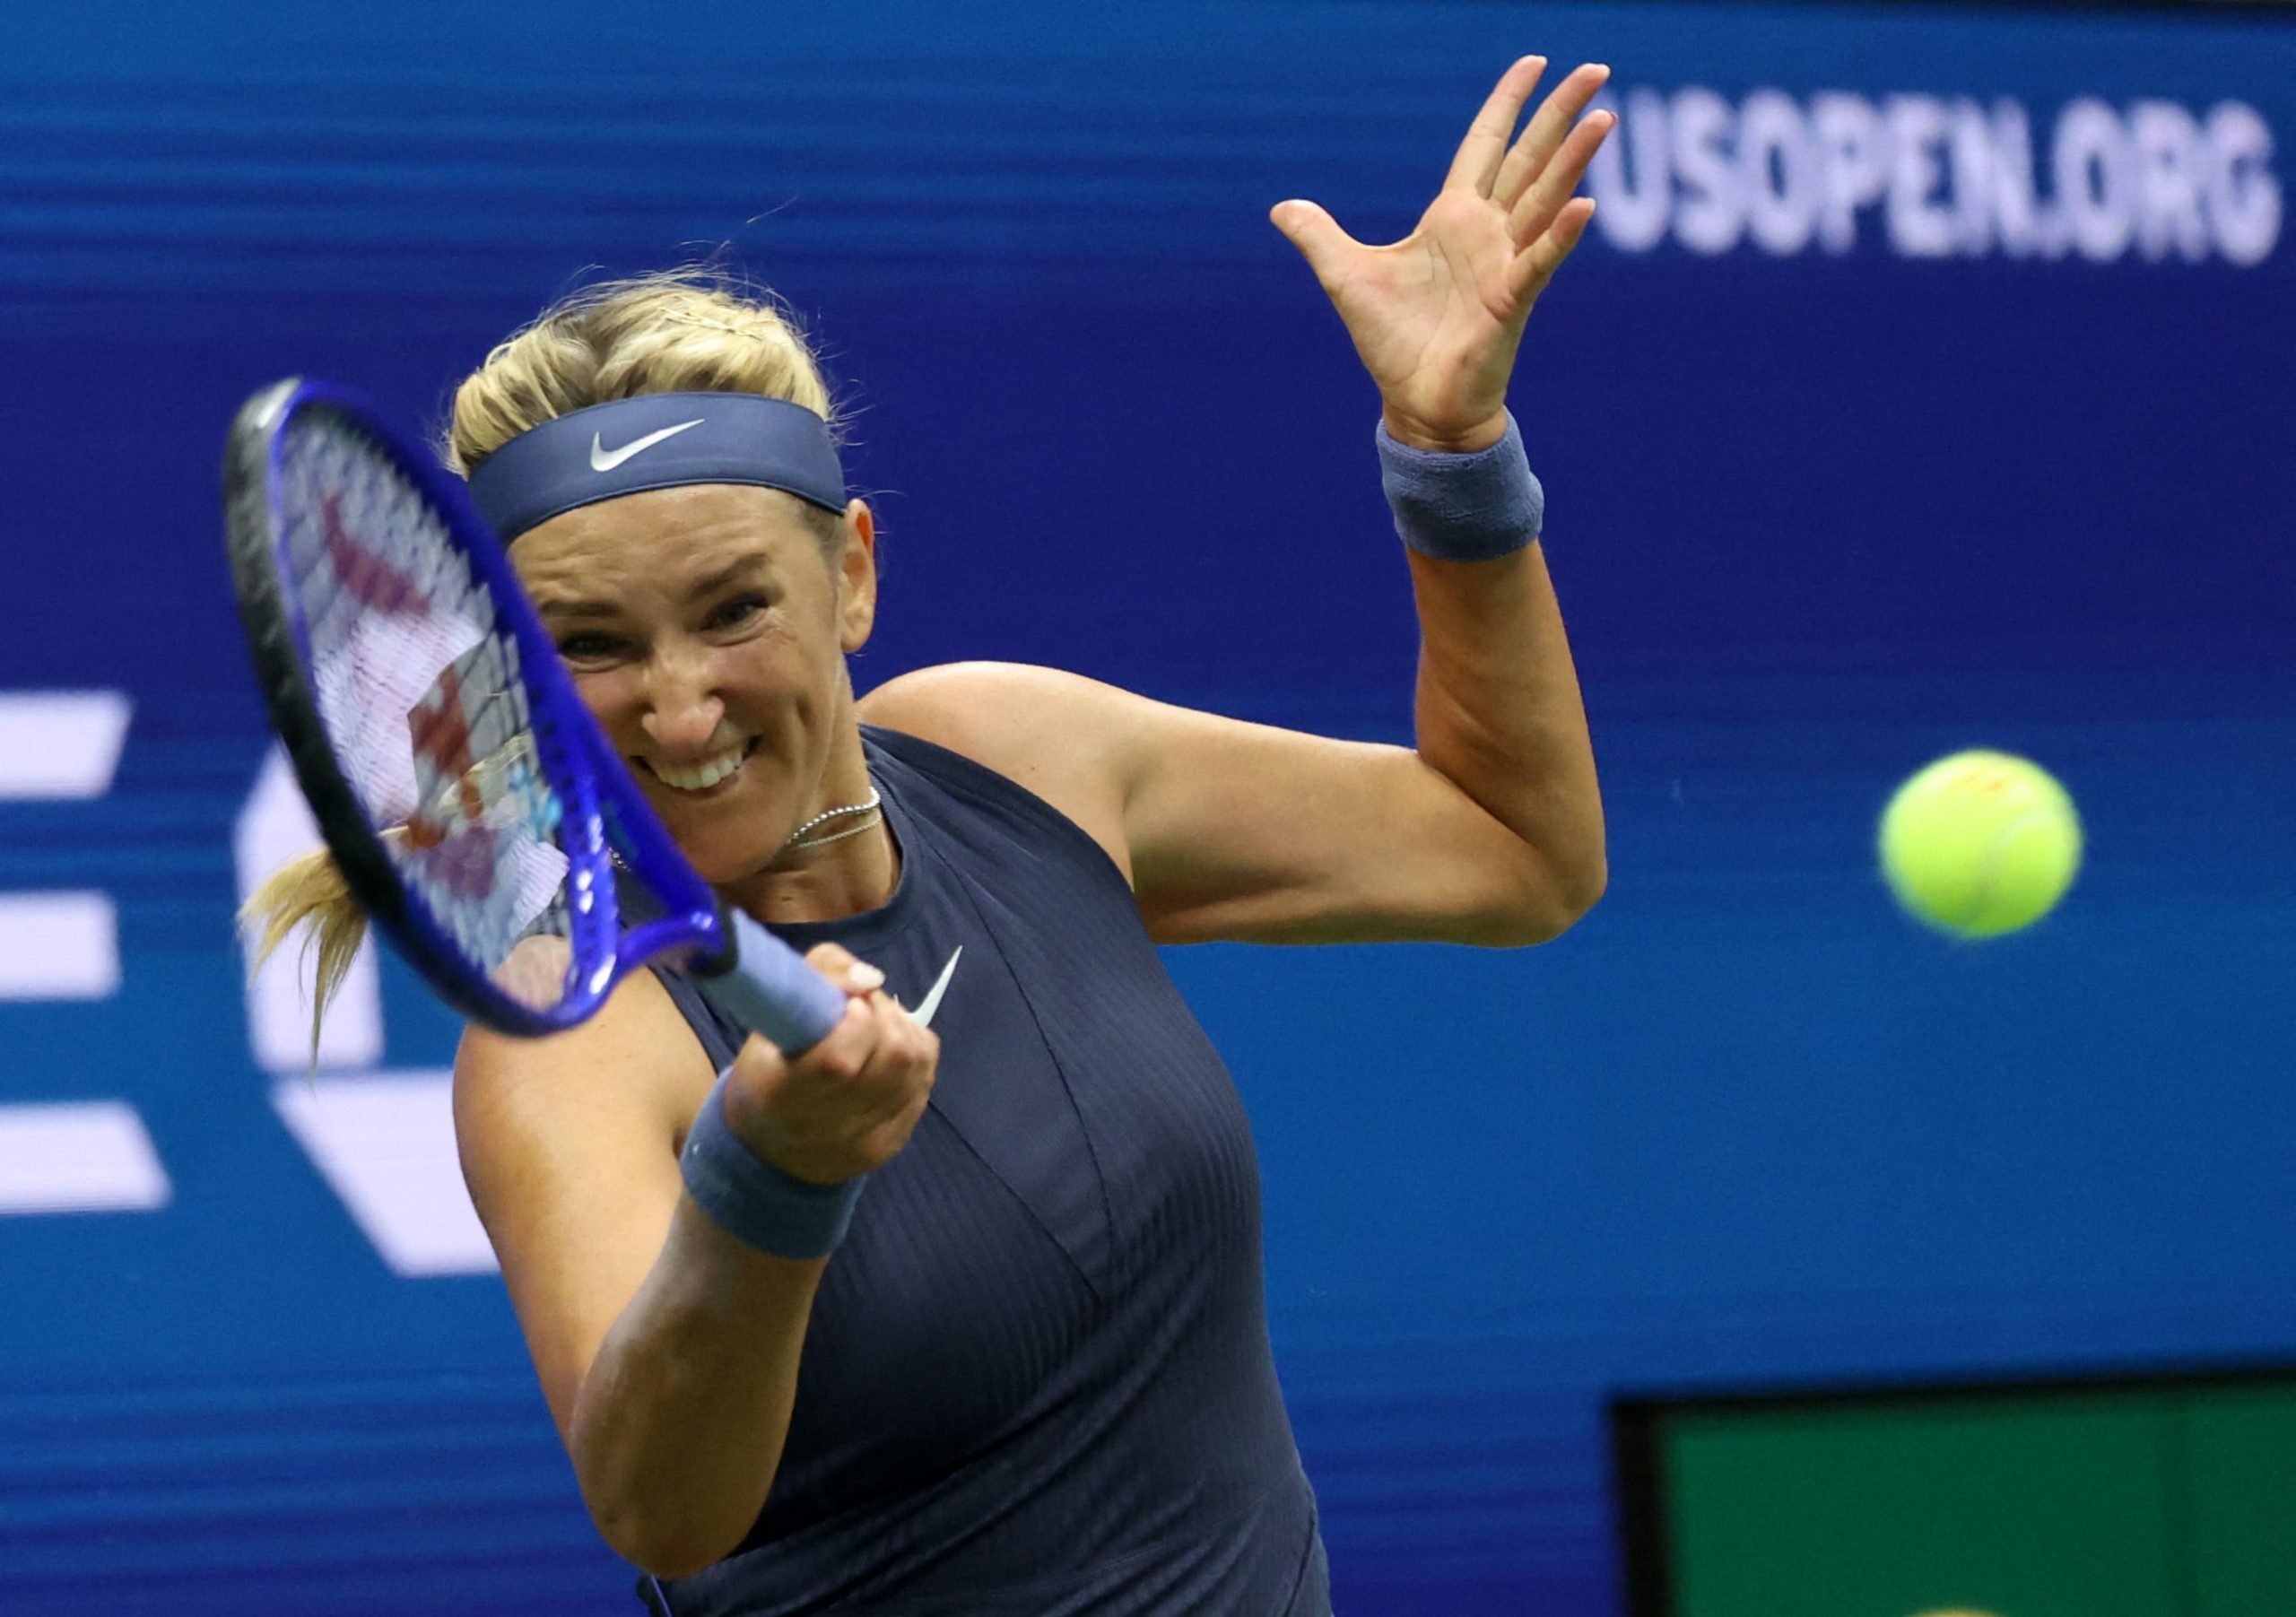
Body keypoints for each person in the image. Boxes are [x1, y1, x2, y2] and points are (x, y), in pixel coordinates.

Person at [247, 55, 1613, 1616]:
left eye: (734, 610)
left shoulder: (1013, 755)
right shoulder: (581, 1033)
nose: (680, 711)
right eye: (593, 643)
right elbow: (659, 1506)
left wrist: (1452, 454)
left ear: (853, 579)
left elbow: (1512, 849)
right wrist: (771, 1181)